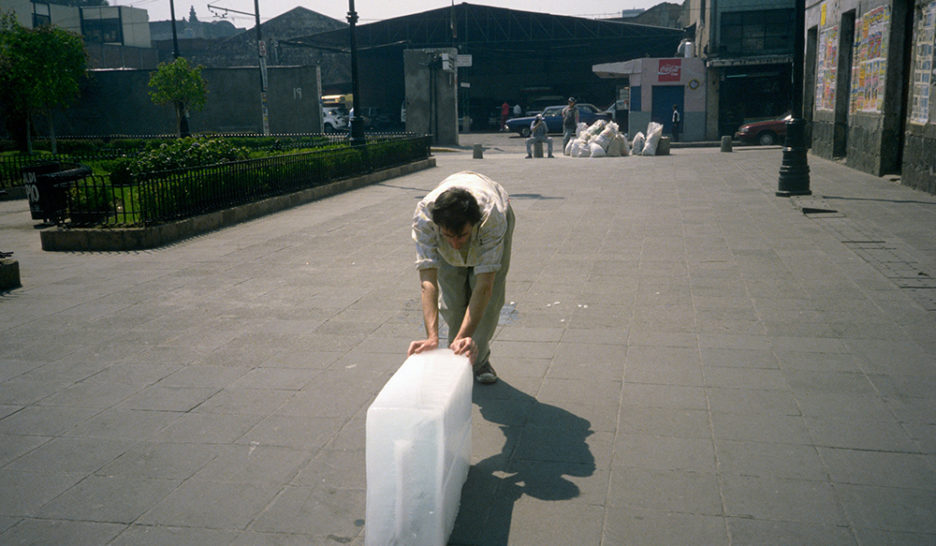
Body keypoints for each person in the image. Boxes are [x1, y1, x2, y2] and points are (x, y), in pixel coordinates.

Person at [409, 171, 515, 384]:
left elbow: (484, 285)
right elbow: (428, 282)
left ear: (474, 225)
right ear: (438, 227)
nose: (456, 244)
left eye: (462, 236)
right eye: (448, 236)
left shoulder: (491, 218)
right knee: (452, 299)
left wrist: (461, 338)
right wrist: (432, 337)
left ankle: (479, 360)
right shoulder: (424, 218)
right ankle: (457, 353)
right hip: (451, 223)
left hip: (492, 212)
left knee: (489, 304)